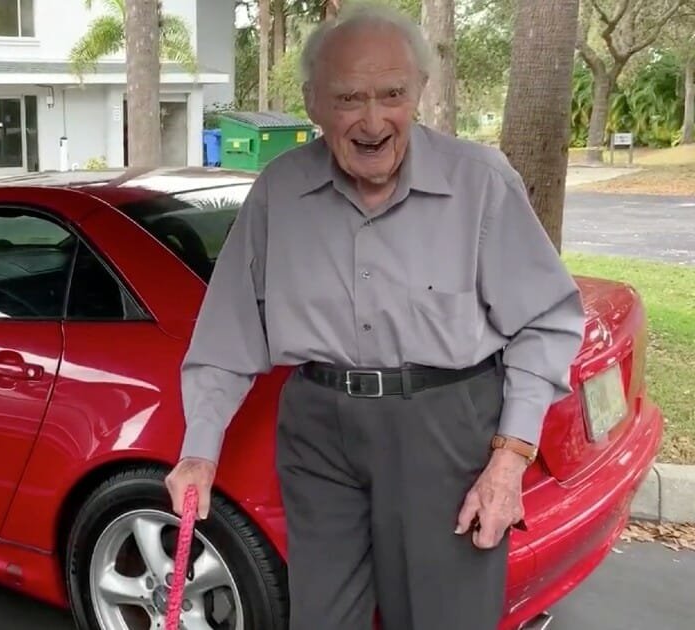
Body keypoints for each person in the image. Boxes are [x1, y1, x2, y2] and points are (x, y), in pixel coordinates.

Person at [163, 4, 587, 630]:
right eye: (348, 97)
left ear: (419, 90)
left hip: (446, 428)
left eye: (392, 93)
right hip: (319, 425)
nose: (372, 119)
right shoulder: (279, 192)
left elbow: (548, 320)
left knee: (446, 617)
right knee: (321, 618)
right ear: (312, 104)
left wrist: (509, 461)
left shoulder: (479, 181)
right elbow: (227, 334)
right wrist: (199, 451)